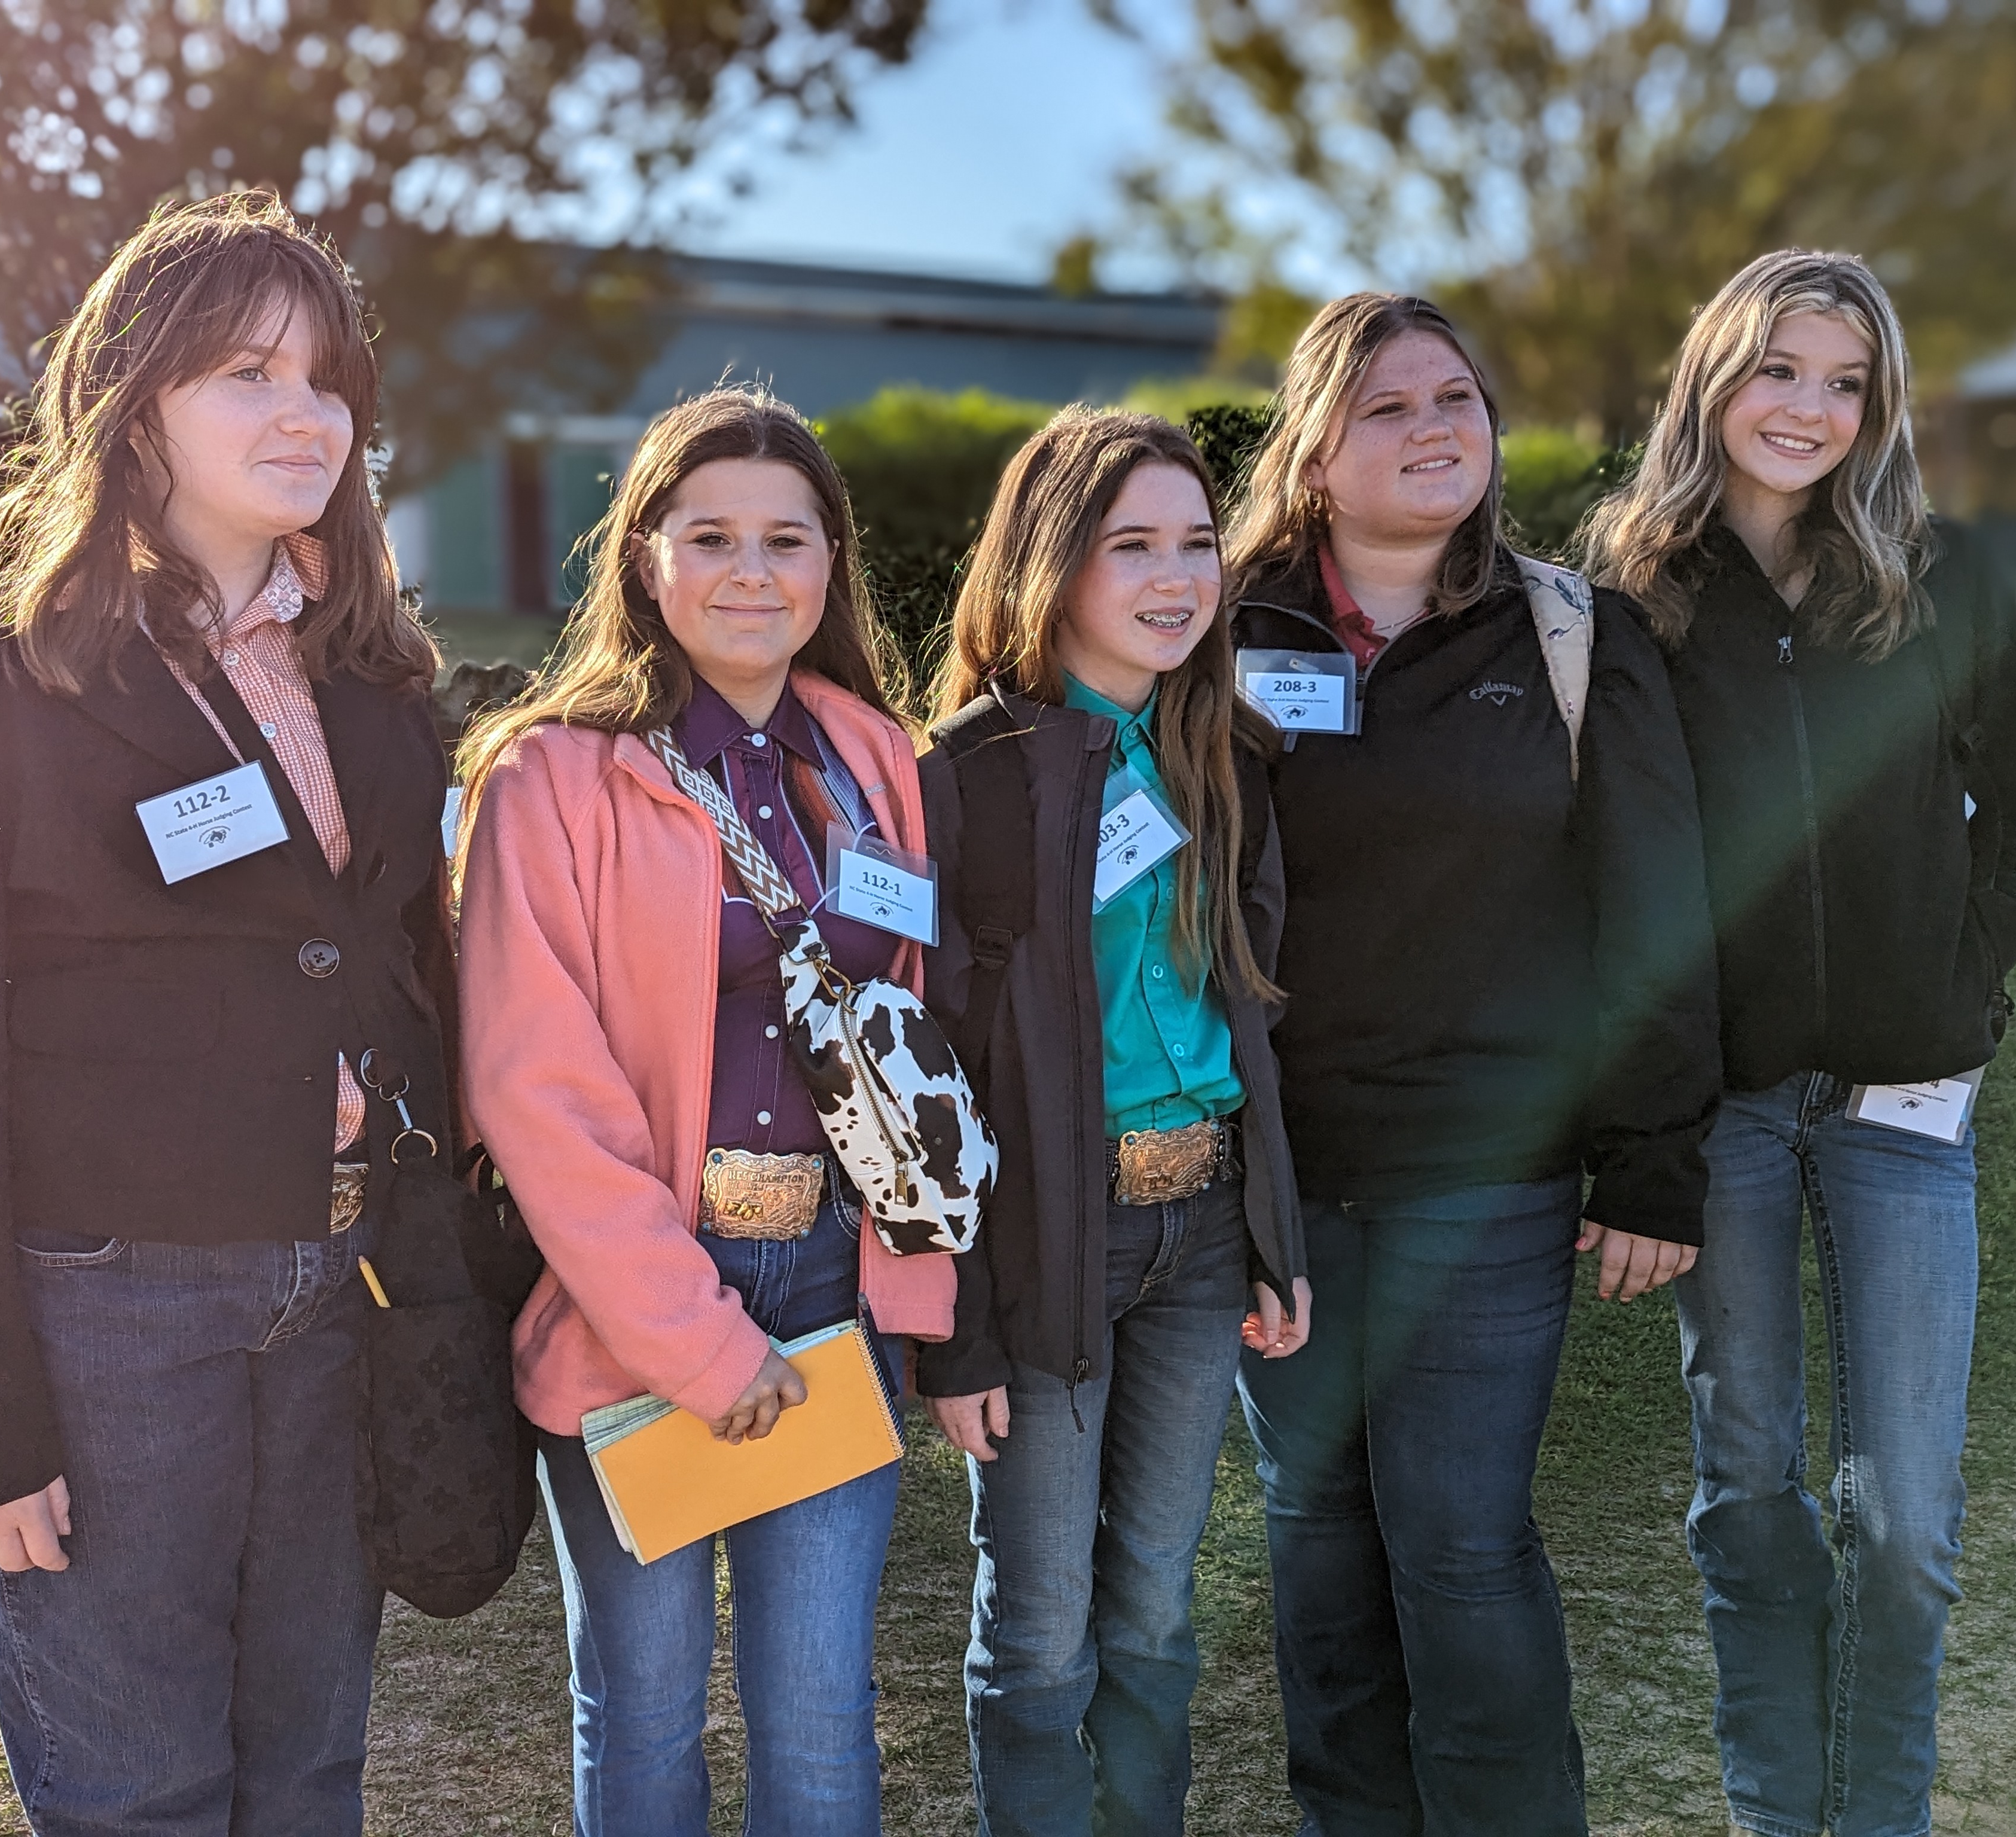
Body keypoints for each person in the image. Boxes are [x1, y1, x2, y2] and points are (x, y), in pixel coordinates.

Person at [0, 191, 452, 1835]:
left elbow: (403, 975)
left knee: (310, 1774)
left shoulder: (385, 682)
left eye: (327, 381)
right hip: (104, 1313)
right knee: (137, 1797)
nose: (304, 413)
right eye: (249, 372)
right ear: (134, 403)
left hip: (343, 1285)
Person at [1582, 249, 2016, 1837]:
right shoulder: (1627, 589)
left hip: (1906, 1103)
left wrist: (1969, 958)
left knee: (1908, 1524)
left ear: (1879, 406)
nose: (1806, 408)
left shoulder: (1943, 574)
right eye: (1776, 369)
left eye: (1843, 381)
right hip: (1719, 1109)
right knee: (1750, 1500)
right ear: (1713, 378)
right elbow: (1598, 855)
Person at [1224, 292, 1722, 1835]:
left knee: (1457, 1544)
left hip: (1485, 1181)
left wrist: (1653, 1161)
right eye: (1387, 406)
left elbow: (1659, 906)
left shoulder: (1573, 636)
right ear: (1313, 451)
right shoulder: (1218, 633)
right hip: (1271, 1181)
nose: (1435, 427)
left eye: (1458, 398)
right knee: (1312, 1535)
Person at [453, 386, 955, 1835]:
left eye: (787, 539)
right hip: (631, 1302)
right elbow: (533, 1090)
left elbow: (910, 1047)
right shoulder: (548, 775)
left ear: (830, 565)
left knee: (821, 1723)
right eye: (712, 535)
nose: (752, 571)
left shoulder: (875, 761)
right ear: (646, 559)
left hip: (830, 1291)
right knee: (648, 1717)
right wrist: (693, 1338)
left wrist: (911, 1290)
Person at [914, 407, 1312, 1836]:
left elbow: (1251, 1018)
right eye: (1128, 543)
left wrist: (1271, 1233)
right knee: (1040, 1636)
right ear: (1048, 564)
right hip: (1043, 1252)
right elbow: (931, 1070)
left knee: (1152, 1608)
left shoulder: (1228, 753)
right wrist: (954, 1326)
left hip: (1202, 1237)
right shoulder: (963, 777)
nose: (1174, 574)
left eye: (1196, 543)